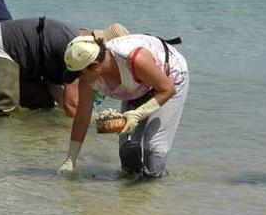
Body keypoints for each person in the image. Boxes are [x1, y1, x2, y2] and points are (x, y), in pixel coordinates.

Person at [58, 32, 188, 178]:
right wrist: (71, 159)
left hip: (169, 80)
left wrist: (139, 113)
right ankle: (129, 194)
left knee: (154, 150)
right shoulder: (88, 79)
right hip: (136, 87)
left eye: (79, 74)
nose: (78, 79)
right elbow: (82, 117)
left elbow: (167, 89)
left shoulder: (134, 59)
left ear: (95, 66)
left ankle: (154, 187)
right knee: (128, 148)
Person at [0, 17, 81, 117]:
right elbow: (70, 105)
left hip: (27, 59)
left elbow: (54, 86)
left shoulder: (82, 49)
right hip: (0, 44)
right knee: (6, 110)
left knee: (43, 105)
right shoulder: (76, 53)